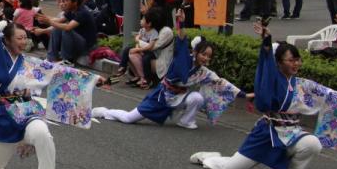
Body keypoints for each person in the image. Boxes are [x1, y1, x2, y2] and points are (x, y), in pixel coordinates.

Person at [190, 21, 337, 169]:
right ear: (278, 63)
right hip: (266, 133)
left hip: (291, 133)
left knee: (313, 144)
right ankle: (208, 158)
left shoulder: (302, 85)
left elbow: (332, 96)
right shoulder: (272, 79)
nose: (296, 64)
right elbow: (265, 65)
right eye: (291, 60)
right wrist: (267, 42)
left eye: (298, 60)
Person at [0, 12, 101, 169]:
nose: (24, 42)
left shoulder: (31, 63)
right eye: (19, 38)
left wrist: (94, 79)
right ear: (6, 41)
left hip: (27, 110)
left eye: (25, 37)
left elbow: (59, 72)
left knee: (42, 134)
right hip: (3, 116)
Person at [97, 36, 240, 129]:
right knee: (129, 118)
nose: (206, 58)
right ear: (195, 52)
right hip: (163, 96)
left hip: (179, 99)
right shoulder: (182, 61)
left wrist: (245, 95)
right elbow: (181, 45)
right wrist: (181, 25)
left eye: (209, 56)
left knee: (197, 98)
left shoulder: (204, 71)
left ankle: (186, 121)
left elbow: (222, 83)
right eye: (204, 54)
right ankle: (104, 112)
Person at [42, 0, 97, 64]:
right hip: (77, 41)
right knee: (56, 29)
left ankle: (68, 61)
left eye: (67, 1)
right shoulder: (71, 10)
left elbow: (68, 27)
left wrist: (49, 21)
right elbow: (59, 21)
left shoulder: (82, 12)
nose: (64, 3)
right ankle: (51, 57)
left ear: (75, 2)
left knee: (66, 30)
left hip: (86, 46)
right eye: (64, 1)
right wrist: (44, 18)